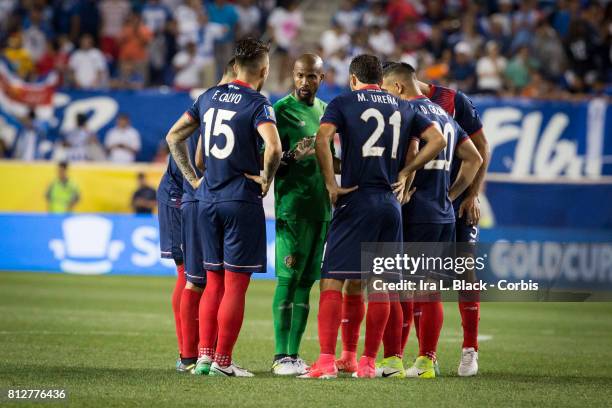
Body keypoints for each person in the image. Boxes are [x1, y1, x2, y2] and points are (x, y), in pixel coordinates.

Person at [299, 54, 446, 379]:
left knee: (332, 280)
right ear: (380, 79)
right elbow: (438, 139)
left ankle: (325, 361)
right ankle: (366, 362)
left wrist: (331, 185)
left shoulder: (343, 102)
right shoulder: (404, 106)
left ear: (353, 79)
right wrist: (407, 170)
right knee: (382, 286)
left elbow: (323, 138)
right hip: (390, 204)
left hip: (355, 198)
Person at [166, 38, 282, 377]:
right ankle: (224, 362)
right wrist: (266, 179)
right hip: (239, 200)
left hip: (207, 200)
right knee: (235, 285)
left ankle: (204, 358)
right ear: (264, 69)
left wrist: (194, 178)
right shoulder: (258, 103)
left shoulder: (207, 97)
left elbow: (174, 137)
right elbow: (273, 148)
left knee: (212, 281)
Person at [377, 62, 482, 379]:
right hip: (442, 213)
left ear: (397, 87)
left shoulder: (409, 113)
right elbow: (474, 158)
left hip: (416, 211)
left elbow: (407, 155)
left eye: (385, 90)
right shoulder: (445, 117)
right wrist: (451, 195)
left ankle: (398, 359)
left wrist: (405, 179)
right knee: (428, 289)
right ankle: (424, 360)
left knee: (398, 287)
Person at [270, 54, 337, 376]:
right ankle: (280, 355)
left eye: (311, 77)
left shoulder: (326, 112)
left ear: (321, 78)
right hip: (292, 209)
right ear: (292, 76)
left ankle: (294, 355)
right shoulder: (280, 111)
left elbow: (331, 160)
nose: (304, 83)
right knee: (288, 278)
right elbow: (267, 164)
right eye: (299, 76)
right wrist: (289, 157)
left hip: (320, 208)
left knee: (307, 283)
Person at [176, 58, 237, 373]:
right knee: (201, 281)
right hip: (203, 197)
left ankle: (197, 356)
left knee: (197, 280)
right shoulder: (222, 102)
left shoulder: (208, 103)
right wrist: (194, 180)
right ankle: (197, 356)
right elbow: (192, 152)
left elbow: (194, 151)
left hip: (199, 198)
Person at [156, 128, 186, 371]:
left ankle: (199, 351)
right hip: (178, 197)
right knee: (188, 273)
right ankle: (186, 353)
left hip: (195, 197)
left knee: (202, 275)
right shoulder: (196, 123)